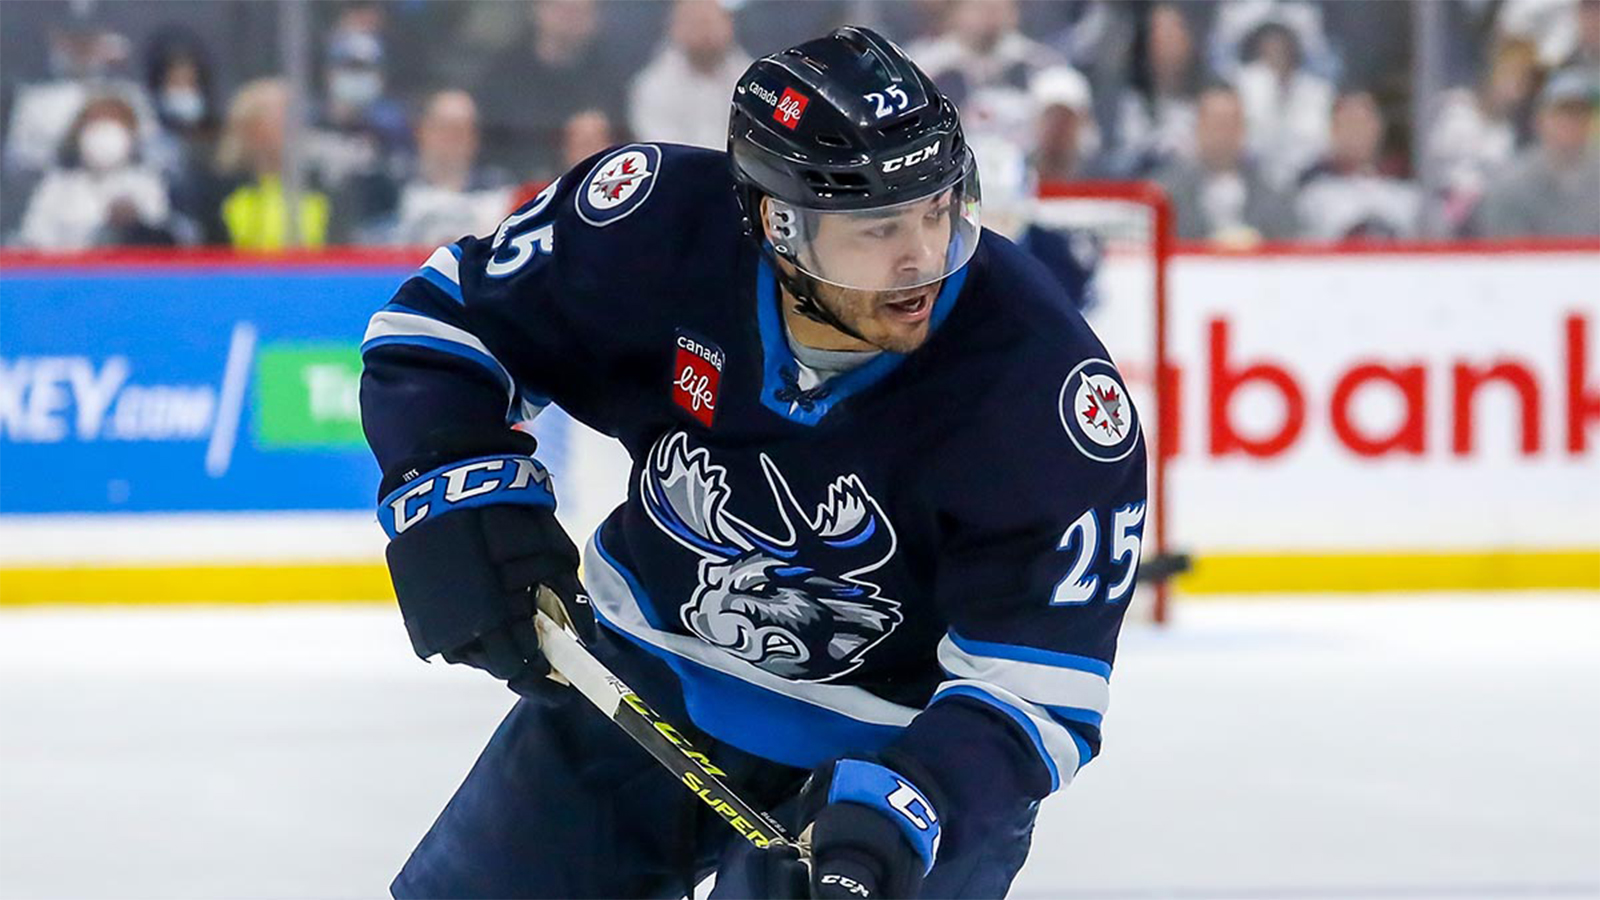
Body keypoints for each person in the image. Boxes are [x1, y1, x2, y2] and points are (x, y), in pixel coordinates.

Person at [363, 26, 1145, 900]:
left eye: (937, 210)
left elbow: (1037, 691)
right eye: (879, 227)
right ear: (780, 224)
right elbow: (441, 330)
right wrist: (453, 502)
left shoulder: (1041, 389)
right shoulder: (653, 225)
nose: (921, 257)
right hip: (648, 666)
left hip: (899, 748)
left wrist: (906, 807)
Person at [18, 95, 173, 250]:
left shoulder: (147, 183)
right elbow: (34, 239)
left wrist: (134, 223)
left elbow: (161, 238)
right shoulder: (56, 184)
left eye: (114, 124)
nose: (104, 135)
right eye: (96, 124)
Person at [1158, 83, 1297, 244]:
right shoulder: (1166, 194)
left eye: (1230, 123)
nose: (1222, 134)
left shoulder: (1273, 192)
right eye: (1215, 123)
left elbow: (1290, 244)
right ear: (1198, 127)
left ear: (1243, 129)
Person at [374, 90, 512, 247]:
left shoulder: (498, 189)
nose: (451, 138)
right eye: (443, 128)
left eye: (461, 130)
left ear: (474, 137)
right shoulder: (392, 186)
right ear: (421, 131)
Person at [1477, 67, 1600, 237]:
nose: (1571, 122)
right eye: (1562, 112)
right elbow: (1503, 245)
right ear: (1540, 119)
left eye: (1579, 113)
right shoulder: (1511, 184)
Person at [1294, 89, 1421, 242]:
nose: (1357, 132)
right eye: (1349, 123)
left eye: (1364, 122)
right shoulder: (1310, 194)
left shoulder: (1408, 191)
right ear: (1333, 130)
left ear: (1379, 127)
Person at [627, 0, 752, 149]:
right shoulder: (651, 88)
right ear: (674, 28)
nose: (706, 32)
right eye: (696, 23)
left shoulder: (753, 82)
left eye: (712, 22)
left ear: (730, 25)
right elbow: (663, 148)